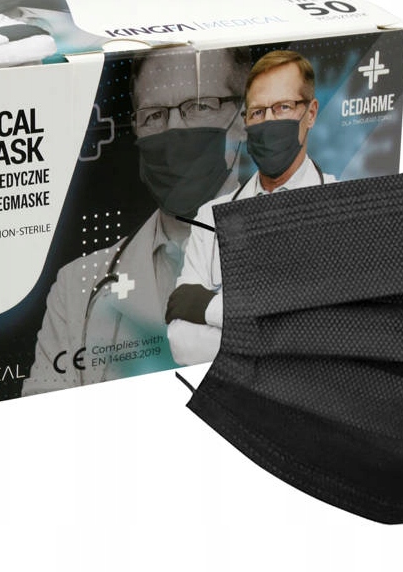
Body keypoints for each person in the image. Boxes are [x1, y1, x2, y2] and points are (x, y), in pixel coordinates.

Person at [22, 45, 250, 394]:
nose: (173, 130)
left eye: (199, 107)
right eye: (154, 115)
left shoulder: (300, 256)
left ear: (246, 117)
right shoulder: (78, 287)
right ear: (137, 130)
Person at [166, 50, 336, 365]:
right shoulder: (209, 217)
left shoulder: (345, 207)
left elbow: (327, 336)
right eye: (257, 112)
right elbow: (182, 342)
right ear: (245, 121)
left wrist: (208, 307)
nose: (268, 121)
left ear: (311, 113)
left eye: (283, 107)